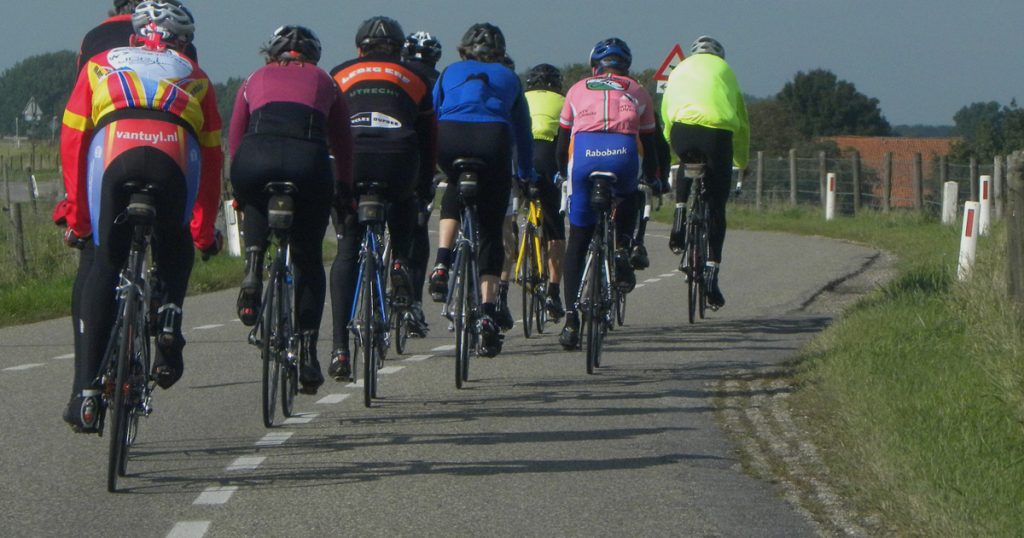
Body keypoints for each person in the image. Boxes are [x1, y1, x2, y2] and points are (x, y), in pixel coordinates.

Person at [60, 0, 222, 432]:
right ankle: (168, 314)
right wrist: (203, 231)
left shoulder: (99, 63)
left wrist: (78, 219)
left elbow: (74, 140)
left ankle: (87, 394)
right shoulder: (196, 75)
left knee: (105, 264)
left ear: (134, 34)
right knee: (175, 241)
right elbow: (210, 159)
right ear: (183, 42)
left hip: (115, 154)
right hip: (172, 160)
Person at [230, 25, 353, 395]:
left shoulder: (253, 79)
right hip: (307, 162)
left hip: (255, 157)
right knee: (308, 259)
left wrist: (238, 188)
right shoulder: (327, 82)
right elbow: (343, 142)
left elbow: (236, 134)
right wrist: (344, 189)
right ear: (313, 57)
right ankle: (308, 353)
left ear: (272, 54)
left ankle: (253, 266)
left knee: (254, 196)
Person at [328, 16, 437, 379]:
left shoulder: (339, 74)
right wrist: (424, 185)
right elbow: (429, 137)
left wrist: (334, 185)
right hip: (397, 156)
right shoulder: (415, 76)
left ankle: (340, 349)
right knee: (404, 202)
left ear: (359, 50)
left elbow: (327, 129)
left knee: (347, 251)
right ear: (399, 51)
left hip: (353, 158)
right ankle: (401, 262)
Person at [428, 22, 533, 357]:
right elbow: (523, 132)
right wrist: (526, 174)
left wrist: (427, 165)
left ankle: (442, 262)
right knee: (489, 230)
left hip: (450, 136)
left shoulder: (449, 72)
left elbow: (432, 112)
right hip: (493, 139)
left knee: (454, 185)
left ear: (463, 51)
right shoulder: (510, 77)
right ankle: (487, 311)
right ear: (500, 53)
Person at [555, 37, 658, 350]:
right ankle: (622, 246)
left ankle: (571, 321)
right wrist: (654, 177)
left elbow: (562, 142)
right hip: (622, 154)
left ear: (594, 67)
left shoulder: (576, 89)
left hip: (584, 156)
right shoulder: (637, 90)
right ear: (625, 66)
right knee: (630, 196)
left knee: (578, 240)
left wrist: (562, 173)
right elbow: (650, 143)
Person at [661, 36, 749, 310]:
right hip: (716, 135)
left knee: (686, 162)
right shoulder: (726, 71)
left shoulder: (679, 69)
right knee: (716, 205)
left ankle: (679, 218)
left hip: (682, 131)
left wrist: (671, 147)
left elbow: (666, 111)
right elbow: (742, 122)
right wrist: (741, 162)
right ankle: (711, 274)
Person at [400, 30, 442, 337]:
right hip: (419, 159)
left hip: (384, 154)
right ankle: (413, 302)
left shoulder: (399, 75)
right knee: (416, 232)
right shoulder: (438, 80)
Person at [523, 63, 568, 320]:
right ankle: (553, 290)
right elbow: (567, 140)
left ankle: (504, 283)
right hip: (548, 155)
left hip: (522, 155)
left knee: (505, 217)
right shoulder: (563, 101)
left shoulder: (521, 98)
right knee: (555, 227)